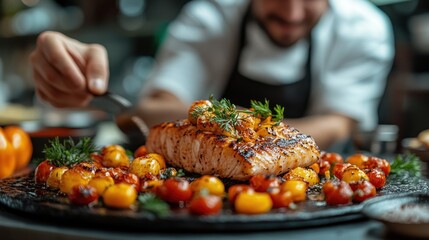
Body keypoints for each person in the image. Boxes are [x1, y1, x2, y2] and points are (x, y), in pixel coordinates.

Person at [29, 0, 394, 150]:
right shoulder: (209, 18)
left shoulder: (363, 29)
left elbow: (337, 124)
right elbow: (152, 110)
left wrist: (239, 130)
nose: (293, 14)